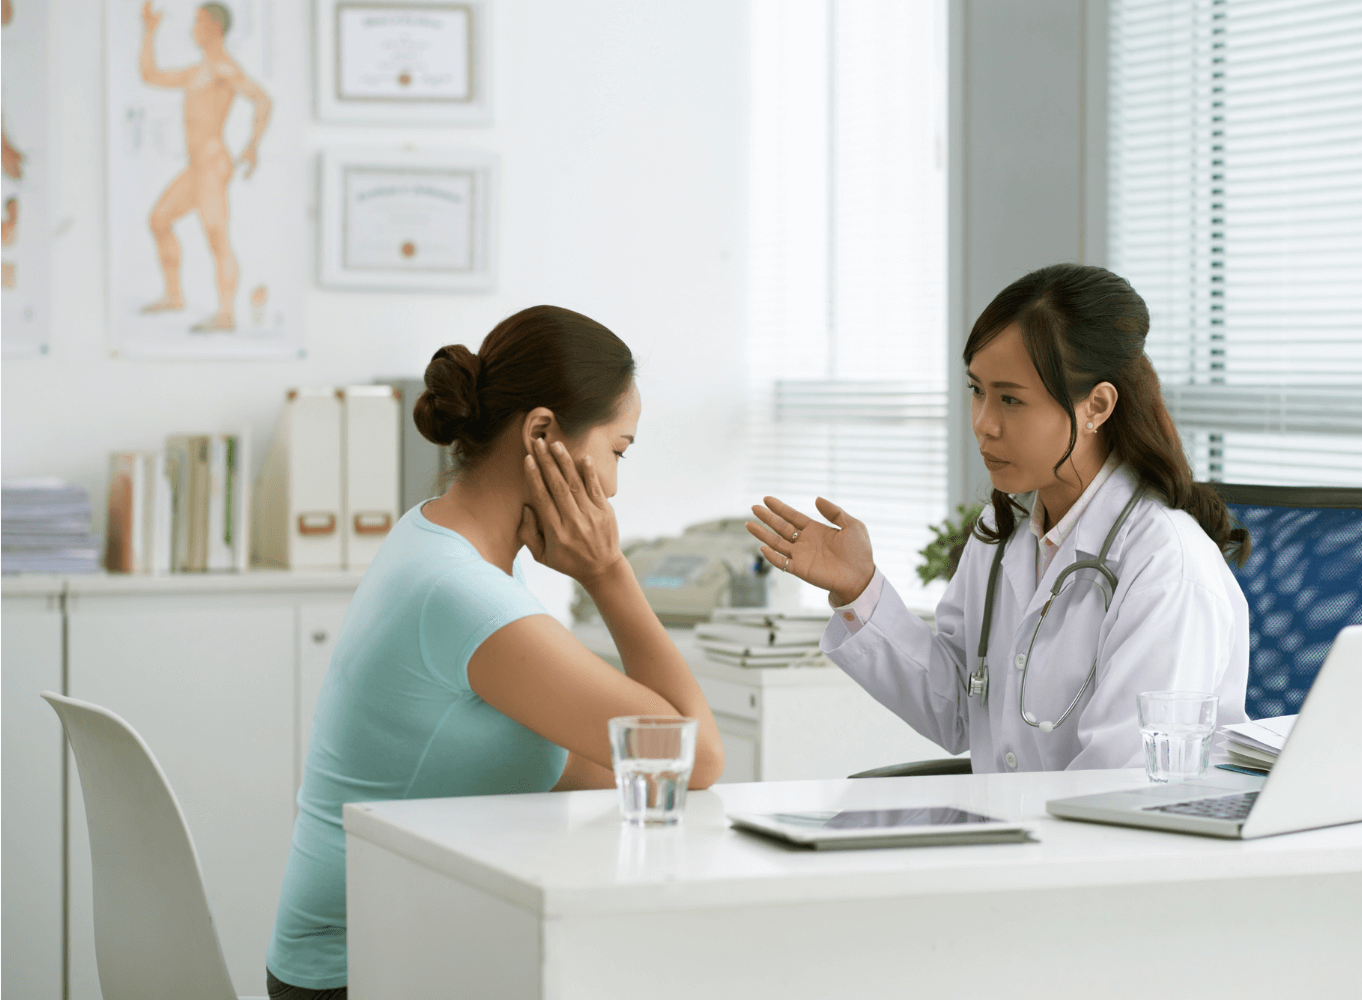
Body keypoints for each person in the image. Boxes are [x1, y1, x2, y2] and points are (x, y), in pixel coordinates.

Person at [266, 306, 724, 999]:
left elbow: (584, 758)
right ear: (540, 432)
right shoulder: (460, 593)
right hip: (355, 977)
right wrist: (609, 572)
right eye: (618, 451)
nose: (613, 486)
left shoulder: (443, 542)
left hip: (388, 949)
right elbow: (696, 757)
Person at [747, 263, 1250, 773]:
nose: (984, 424)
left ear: (1096, 406)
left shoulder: (1166, 566)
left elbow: (1120, 783)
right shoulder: (1007, 532)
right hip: (1015, 833)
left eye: (1010, 399)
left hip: (1095, 843)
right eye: (976, 391)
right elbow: (959, 714)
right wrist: (859, 589)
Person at [138, 1, 272, 331]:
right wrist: (150, 31)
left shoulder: (224, 68)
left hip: (213, 163)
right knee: (159, 220)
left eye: (198, 23)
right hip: (196, 167)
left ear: (212, 25)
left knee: (216, 236)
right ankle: (174, 296)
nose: (193, 30)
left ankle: (226, 314)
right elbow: (150, 75)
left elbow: (263, 100)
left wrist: (253, 145)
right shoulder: (198, 70)